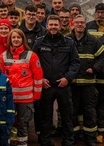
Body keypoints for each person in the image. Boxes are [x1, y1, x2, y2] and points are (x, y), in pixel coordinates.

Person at [33, 15, 80, 146]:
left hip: (63, 85)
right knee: (45, 116)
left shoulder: (69, 42)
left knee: (67, 116)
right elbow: (33, 63)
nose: (53, 27)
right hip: (46, 85)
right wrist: (40, 79)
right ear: (46, 26)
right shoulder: (39, 42)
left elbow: (75, 63)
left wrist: (67, 78)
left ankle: (68, 141)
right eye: (51, 25)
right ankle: (46, 141)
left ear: (60, 26)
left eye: (55, 25)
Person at [0, 29, 43, 146]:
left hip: (26, 98)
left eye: (18, 37)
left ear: (23, 39)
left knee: (23, 124)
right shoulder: (3, 56)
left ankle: (22, 144)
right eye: (13, 37)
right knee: (8, 123)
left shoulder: (31, 56)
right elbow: (1, 78)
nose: (16, 40)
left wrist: (36, 96)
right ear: (10, 39)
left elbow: (38, 77)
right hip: (9, 98)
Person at [69, 15, 104, 146]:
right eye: (77, 23)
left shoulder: (93, 41)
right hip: (72, 83)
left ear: (85, 25)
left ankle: (90, 138)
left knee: (89, 111)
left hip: (88, 83)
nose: (80, 25)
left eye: (82, 23)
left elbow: (103, 56)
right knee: (72, 111)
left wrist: (95, 68)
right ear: (73, 24)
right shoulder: (67, 39)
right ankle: (72, 137)